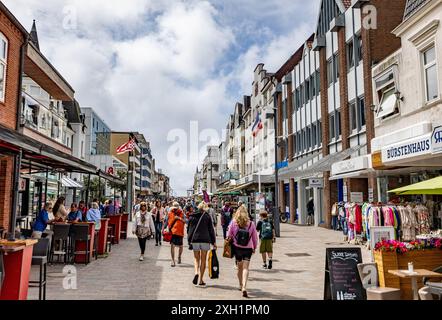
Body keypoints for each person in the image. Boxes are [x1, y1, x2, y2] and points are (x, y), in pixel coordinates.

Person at [227, 205, 258, 298]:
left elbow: (229, 235)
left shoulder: (234, 222)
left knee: (239, 267)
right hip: (248, 248)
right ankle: (244, 286)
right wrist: (254, 247)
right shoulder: (251, 223)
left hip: (237, 248)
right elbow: (255, 237)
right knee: (246, 268)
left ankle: (240, 285)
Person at [188, 202, 217, 287]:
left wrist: (189, 241)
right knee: (203, 260)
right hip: (205, 240)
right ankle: (201, 280)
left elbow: (189, 230)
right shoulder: (207, 216)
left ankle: (196, 272)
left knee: (196, 259)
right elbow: (211, 230)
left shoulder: (192, 216)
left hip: (195, 240)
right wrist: (213, 242)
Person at [167, 201, 186, 267]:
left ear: (178, 207)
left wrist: (179, 218)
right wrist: (164, 228)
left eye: (176, 208)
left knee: (180, 246)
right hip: (173, 231)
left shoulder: (182, 213)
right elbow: (167, 221)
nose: (175, 209)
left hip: (180, 231)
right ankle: (173, 260)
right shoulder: (170, 213)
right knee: (172, 245)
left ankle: (179, 256)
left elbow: (185, 221)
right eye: (174, 208)